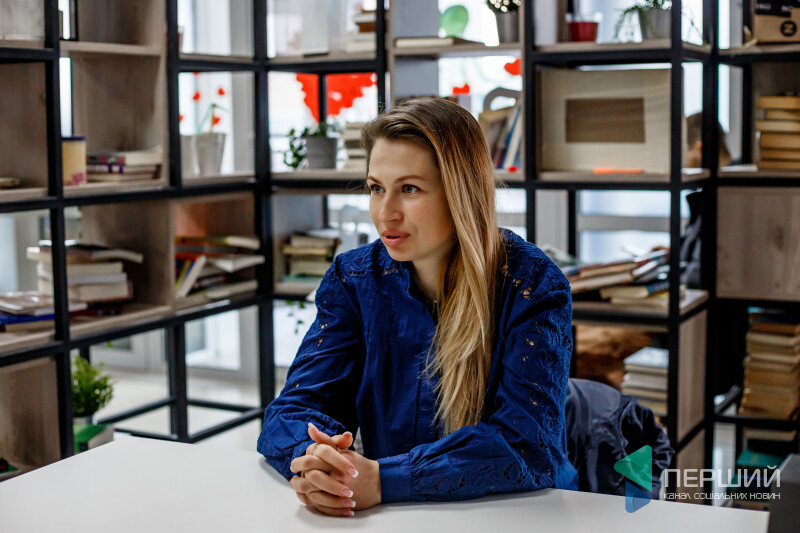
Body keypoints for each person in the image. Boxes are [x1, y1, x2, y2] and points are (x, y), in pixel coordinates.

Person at [257, 97, 578, 517]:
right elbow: (291, 410)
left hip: (519, 516)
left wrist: (383, 480)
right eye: (376, 188)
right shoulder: (355, 279)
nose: (385, 213)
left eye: (409, 189)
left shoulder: (532, 285)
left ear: (460, 194)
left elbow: (527, 446)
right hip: (396, 517)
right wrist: (322, 460)